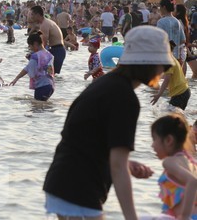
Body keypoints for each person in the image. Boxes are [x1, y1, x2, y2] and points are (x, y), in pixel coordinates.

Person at [43, 25, 174, 219]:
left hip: (60, 179)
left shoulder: (106, 84)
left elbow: (87, 140)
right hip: (80, 187)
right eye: (162, 65)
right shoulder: (125, 98)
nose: (163, 71)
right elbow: (117, 166)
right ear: (147, 64)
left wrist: (126, 162)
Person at [150, 113, 197, 220]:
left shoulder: (169, 162)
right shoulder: (190, 160)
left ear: (168, 140)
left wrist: (184, 216)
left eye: (154, 139)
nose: (152, 145)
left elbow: (193, 181)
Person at [9, 31, 55, 101]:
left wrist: (16, 78)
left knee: (36, 109)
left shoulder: (35, 56)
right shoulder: (49, 55)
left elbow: (30, 71)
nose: (30, 48)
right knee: (43, 106)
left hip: (41, 86)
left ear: (35, 44)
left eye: (30, 45)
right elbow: (48, 70)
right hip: (50, 85)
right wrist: (31, 61)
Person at [151, 41, 191, 110]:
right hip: (183, 91)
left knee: (171, 114)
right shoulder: (172, 59)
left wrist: (158, 95)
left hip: (180, 93)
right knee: (178, 114)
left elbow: (167, 80)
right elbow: (170, 75)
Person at [29, 5, 66, 75]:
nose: (31, 16)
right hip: (56, 49)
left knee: (51, 74)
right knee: (49, 73)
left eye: (32, 14)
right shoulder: (46, 22)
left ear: (37, 15)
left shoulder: (44, 24)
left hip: (57, 50)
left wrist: (34, 54)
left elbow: (44, 43)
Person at [157, 0, 186, 65]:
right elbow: (183, 40)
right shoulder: (177, 21)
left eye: (160, 7)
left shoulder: (161, 22)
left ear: (163, 7)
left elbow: (158, 40)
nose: (159, 9)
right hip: (176, 58)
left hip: (165, 57)